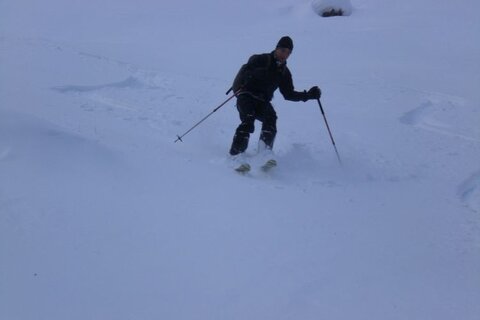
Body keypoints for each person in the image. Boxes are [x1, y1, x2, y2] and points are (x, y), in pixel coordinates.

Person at [229, 36, 321, 156]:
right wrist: (255, 73)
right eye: (283, 50)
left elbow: (288, 94)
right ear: (276, 48)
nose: (285, 55)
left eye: (288, 53)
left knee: (271, 118)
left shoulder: (284, 72)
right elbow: (247, 69)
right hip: (246, 95)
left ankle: (264, 154)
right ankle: (236, 154)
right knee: (248, 119)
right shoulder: (261, 59)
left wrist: (308, 95)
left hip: (263, 101)